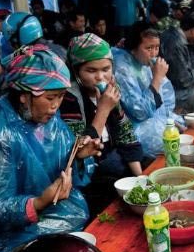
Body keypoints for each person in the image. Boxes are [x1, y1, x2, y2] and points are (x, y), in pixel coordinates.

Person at [0, 44, 102, 252]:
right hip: (13, 236)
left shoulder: (46, 118)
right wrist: (38, 202)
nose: (55, 106)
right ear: (23, 96)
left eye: (60, 97)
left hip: (55, 214)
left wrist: (77, 157)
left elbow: (63, 168)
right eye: (50, 98)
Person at [60, 33, 144, 214]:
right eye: (91, 71)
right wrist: (103, 109)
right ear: (76, 71)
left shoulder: (112, 89)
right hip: (85, 176)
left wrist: (141, 179)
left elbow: (124, 131)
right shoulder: (68, 97)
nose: (100, 77)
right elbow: (78, 149)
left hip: (111, 160)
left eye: (106, 69)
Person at [113, 22, 183, 156]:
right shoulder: (122, 68)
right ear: (134, 47)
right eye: (149, 48)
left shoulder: (142, 63)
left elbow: (166, 101)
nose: (154, 53)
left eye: (156, 48)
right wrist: (157, 78)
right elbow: (140, 112)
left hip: (153, 122)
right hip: (137, 133)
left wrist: (169, 120)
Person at [160, 11, 194, 113]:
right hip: (170, 91)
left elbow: (190, 63)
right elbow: (183, 80)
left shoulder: (176, 36)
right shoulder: (176, 44)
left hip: (173, 84)